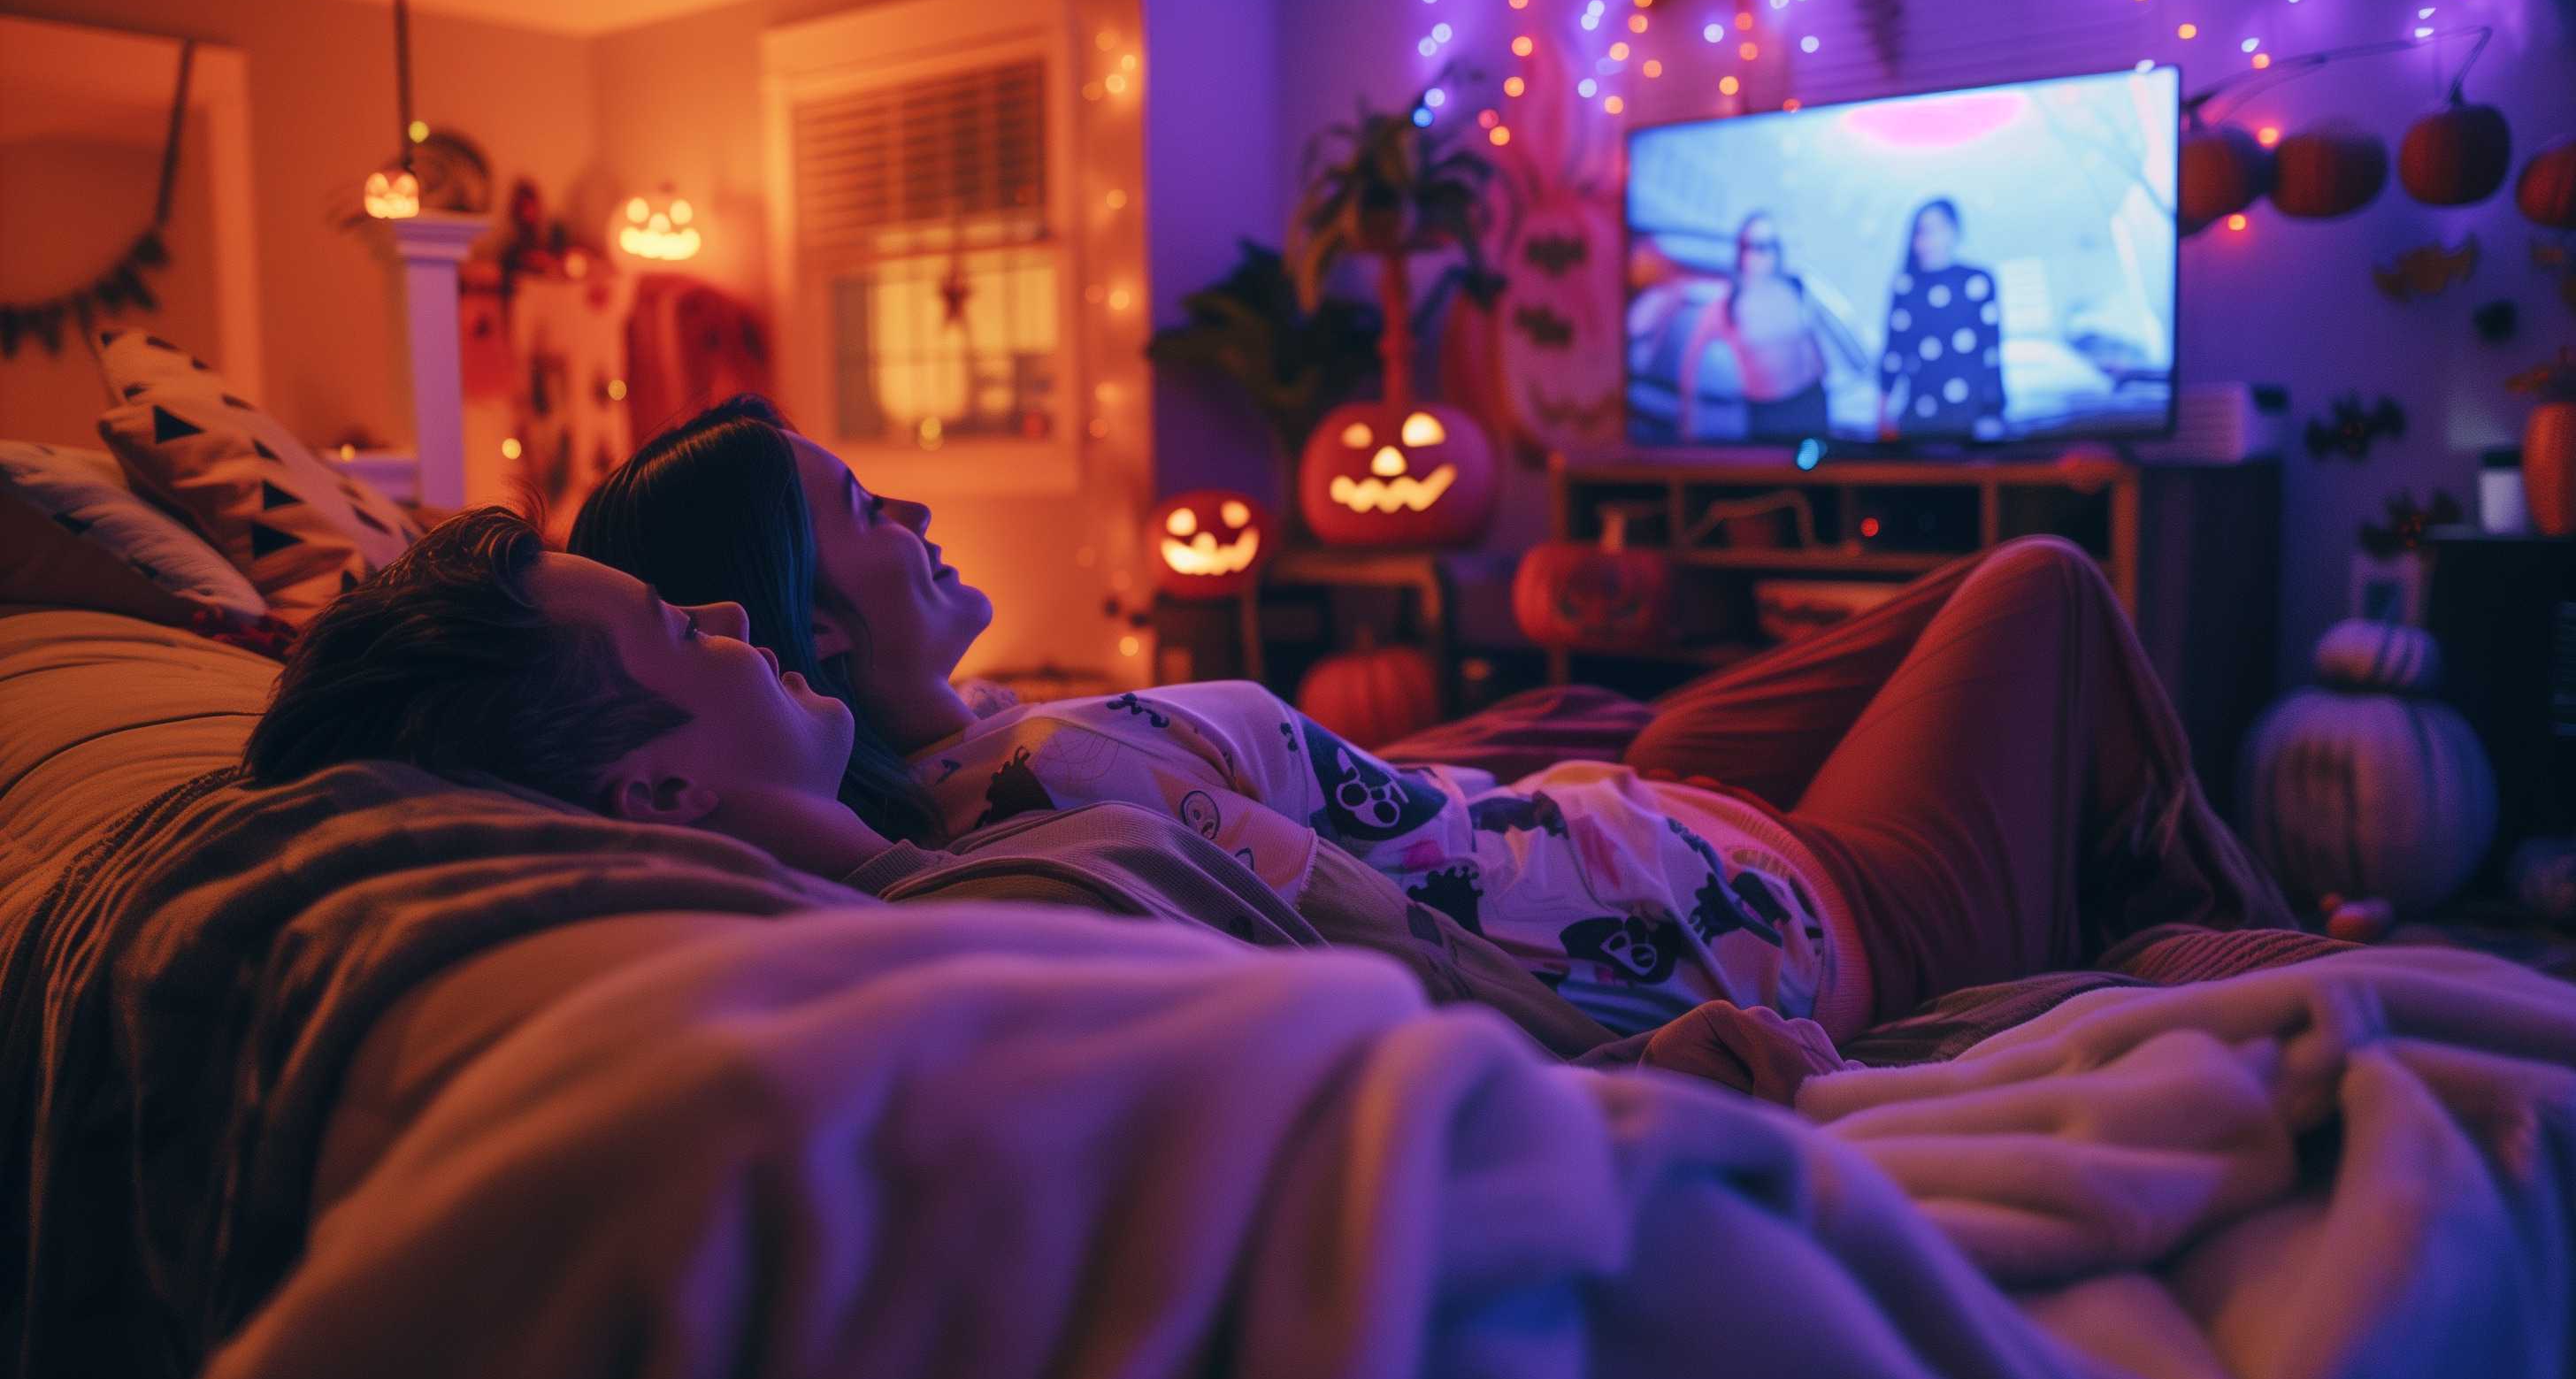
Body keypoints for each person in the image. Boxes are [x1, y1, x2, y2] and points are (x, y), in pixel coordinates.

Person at [572, 397, 2293, 1041]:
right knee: (2041, 578)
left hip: (1623, 806)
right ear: (809, 629)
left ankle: (2163, 894)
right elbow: (1408, 959)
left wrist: (1458, 763)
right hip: (1790, 918)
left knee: (1662, 667)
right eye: (873, 512)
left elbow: (1360, 844)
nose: (921, 518)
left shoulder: (989, 743)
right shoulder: (1060, 796)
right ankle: (2228, 924)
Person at [242, 507, 1617, 1057]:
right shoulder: (1034, 924)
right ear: (659, 797)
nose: (733, 615)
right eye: (675, 630)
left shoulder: (983, 863)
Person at [1673, 213, 1867, 441]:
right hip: (1768, 416)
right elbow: (1690, 365)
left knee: (1815, 473)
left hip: (1810, 404)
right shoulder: (1726, 305)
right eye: (1754, 246)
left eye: (1769, 246)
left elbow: (1833, 334)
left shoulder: (1797, 287)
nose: (1762, 255)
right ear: (1741, 251)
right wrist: (1688, 423)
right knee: (1770, 474)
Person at [1878, 197, 2006, 437]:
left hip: (1970, 413)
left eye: (1938, 228)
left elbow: (1991, 352)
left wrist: (1992, 412)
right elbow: (1893, 353)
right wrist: (1882, 412)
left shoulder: (1977, 280)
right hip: (1919, 414)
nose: (1930, 238)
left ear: (1954, 232)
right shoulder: (1905, 285)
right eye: (1922, 230)